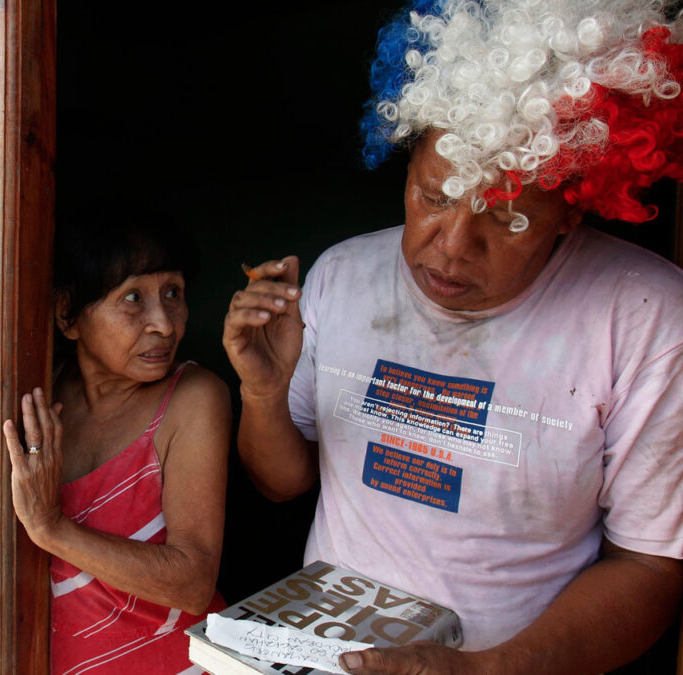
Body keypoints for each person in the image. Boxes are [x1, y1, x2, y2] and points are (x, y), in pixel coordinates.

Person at [223, 1, 683, 673]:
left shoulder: (645, 318)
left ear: (571, 210)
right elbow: (281, 484)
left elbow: (650, 566)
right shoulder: (344, 275)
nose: (452, 247)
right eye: (434, 198)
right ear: (407, 164)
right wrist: (263, 395)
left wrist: (482, 668)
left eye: (507, 217)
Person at [3, 212, 231, 674]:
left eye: (173, 293)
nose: (165, 325)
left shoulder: (192, 399)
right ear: (68, 314)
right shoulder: (39, 390)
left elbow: (191, 584)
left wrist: (51, 527)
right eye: (133, 298)